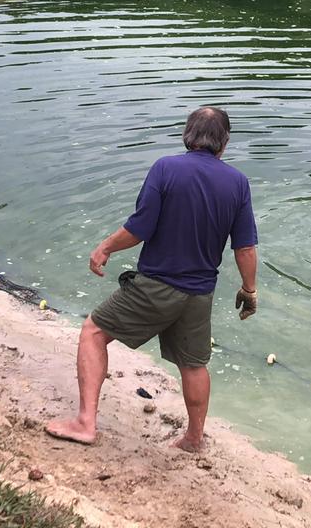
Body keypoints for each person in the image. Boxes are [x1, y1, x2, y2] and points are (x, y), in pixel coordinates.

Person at [46, 107, 258, 453]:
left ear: (187, 136)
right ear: (225, 142)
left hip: (156, 286)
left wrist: (104, 247)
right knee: (194, 364)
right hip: (200, 294)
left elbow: (139, 228)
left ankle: (85, 423)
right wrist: (250, 291)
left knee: (93, 332)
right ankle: (193, 438)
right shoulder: (238, 183)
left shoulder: (166, 168)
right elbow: (245, 248)